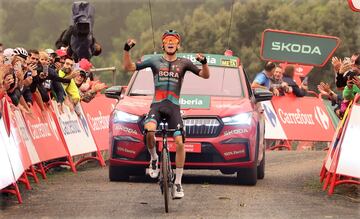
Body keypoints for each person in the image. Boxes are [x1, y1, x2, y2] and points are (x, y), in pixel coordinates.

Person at [123, 30, 210, 199]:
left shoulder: (184, 63)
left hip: (174, 106)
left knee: (179, 142)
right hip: (157, 104)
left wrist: (204, 63)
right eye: (167, 40)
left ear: (178, 45)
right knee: (149, 130)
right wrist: (126, 50)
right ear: (163, 44)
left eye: (174, 40)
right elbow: (129, 67)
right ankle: (154, 158)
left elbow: (205, 76)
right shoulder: (155, 60)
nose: (170, 42)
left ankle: (177, 182)